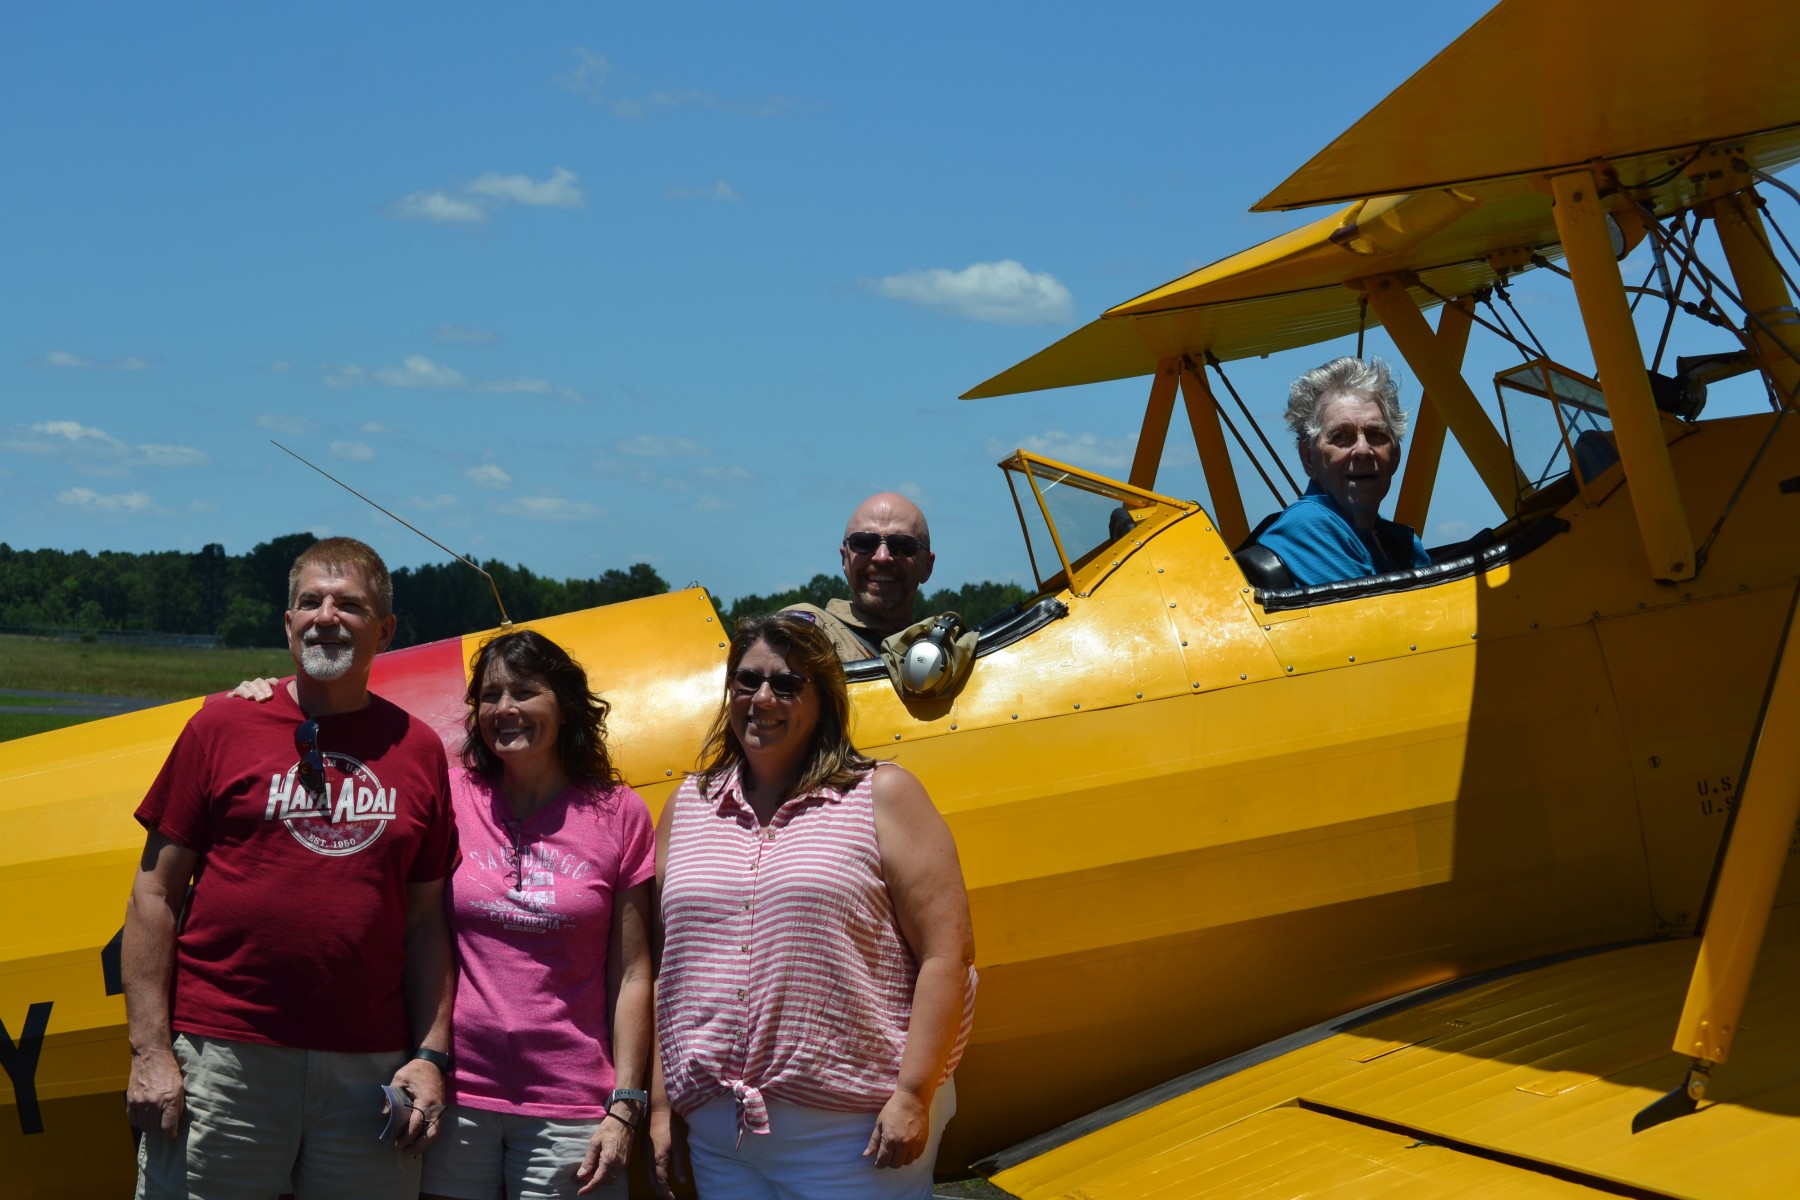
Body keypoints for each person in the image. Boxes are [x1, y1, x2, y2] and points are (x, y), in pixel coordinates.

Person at [230, 629, 655, 1199]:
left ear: (566, 704)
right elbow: (340, 774)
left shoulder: (620, 813)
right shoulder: (449, 793)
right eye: (490, 695)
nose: (505, 709)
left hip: (573, 1106)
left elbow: (633, 974)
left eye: (525, 692)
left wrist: (626, 1103)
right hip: (454, 1095)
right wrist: (271, 698)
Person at [123, 537, 460, 1199]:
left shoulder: (419, 749)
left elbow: (425, 923)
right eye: (311, 602)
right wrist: (150, 1051)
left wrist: (429, 1056)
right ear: (287, 624)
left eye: (349, 605)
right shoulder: (220, 726)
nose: (326, 617)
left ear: (386, 630)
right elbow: (153, 893)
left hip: (370, 1069)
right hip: (226, 1057)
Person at [650, 611, 977, 1199]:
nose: (763, 699)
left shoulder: (883, 794)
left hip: (853, 1136)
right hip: (720, 1138)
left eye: (787, 683)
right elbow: (667, 971)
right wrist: (659, 1104)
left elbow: (947, 954)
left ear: (823, 698)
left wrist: (913, 1095)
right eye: (747, 680)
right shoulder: (687, 807)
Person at [1252, 356, 1431, 586]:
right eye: (1340, 437)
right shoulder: (1308, 526)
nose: (1363, 450)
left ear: (1395, 454)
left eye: (1376, 435)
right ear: (1308, 458)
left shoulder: (1399, 541)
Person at [787, 492, 936, 661]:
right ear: (845, 559)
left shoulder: (946, 653)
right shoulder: (809, 633)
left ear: (927, 566)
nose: (882, 557)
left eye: (901, 545)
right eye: (864, 543)